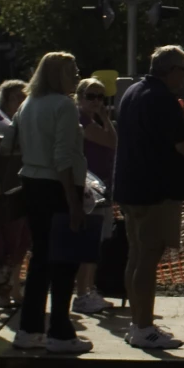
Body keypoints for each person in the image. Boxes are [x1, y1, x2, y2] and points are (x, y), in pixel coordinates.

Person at [112, 46, 184, 350]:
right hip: (153, 191)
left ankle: (138, 323)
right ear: (170, 70)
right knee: (148, 257)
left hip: (131, 188)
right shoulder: (161, 99)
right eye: (183, 69)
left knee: (136, 256)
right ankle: (144, 327)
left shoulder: (133, 92)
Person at [13, 52, 92, 353]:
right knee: (65, 260)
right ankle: (60, 330)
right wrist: (73, 202)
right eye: (72, 71)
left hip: (31, 182)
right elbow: (62, 156)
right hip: (57, 186)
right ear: (58, 75)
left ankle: (30, 328)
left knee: (40, 258)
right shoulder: (63, 106)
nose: (77, 76)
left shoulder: (27, 104)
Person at [73, 76, 116, 313]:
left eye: (101, 97)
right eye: (91, 96)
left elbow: (114, 141)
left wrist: (105, 117)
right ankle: (82, 293)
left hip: (103, 186)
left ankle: (89, 289)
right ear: (79, 98)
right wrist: (105, 120)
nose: (96, 101)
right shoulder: (81, 120)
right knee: (89, 242)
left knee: (97, 242)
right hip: (88, 188)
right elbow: (110, 141)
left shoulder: (96, 120)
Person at [0, 78, 30, 307]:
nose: (22, 101)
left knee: (23, 240)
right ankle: (2, 290)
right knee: (7, 241)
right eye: (17, 97)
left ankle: (14, 287)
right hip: (6, 191)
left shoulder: (26, 122)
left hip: (25, 189)